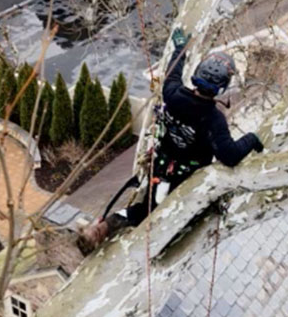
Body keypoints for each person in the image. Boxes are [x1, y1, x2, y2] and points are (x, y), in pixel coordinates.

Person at [77, 28, 264, 254]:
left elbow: (173, 73)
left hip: (161, 164)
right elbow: (230, 156)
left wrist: (180, 48)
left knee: (148, 206)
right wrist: (252, 139)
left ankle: (108, 225)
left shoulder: (173, 94)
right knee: (159, 214)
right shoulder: (214, 120)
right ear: (222, 88)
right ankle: (152, 241)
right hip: (185, 179)